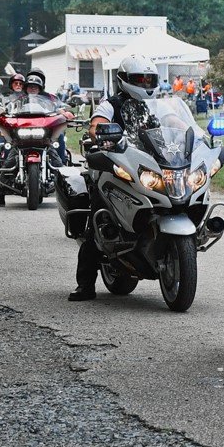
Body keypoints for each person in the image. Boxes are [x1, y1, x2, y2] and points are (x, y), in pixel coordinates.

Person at [68, 54, 160, 301]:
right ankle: (85, 285)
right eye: (139, 79)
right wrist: (101, 133)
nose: (144, 84)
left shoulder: (157, 106)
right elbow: (96, 124)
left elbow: (175, 125)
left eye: (149, 79)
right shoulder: (111, 104)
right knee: (99, 220)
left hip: (148, 167)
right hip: (114, 166)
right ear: (124, 80)